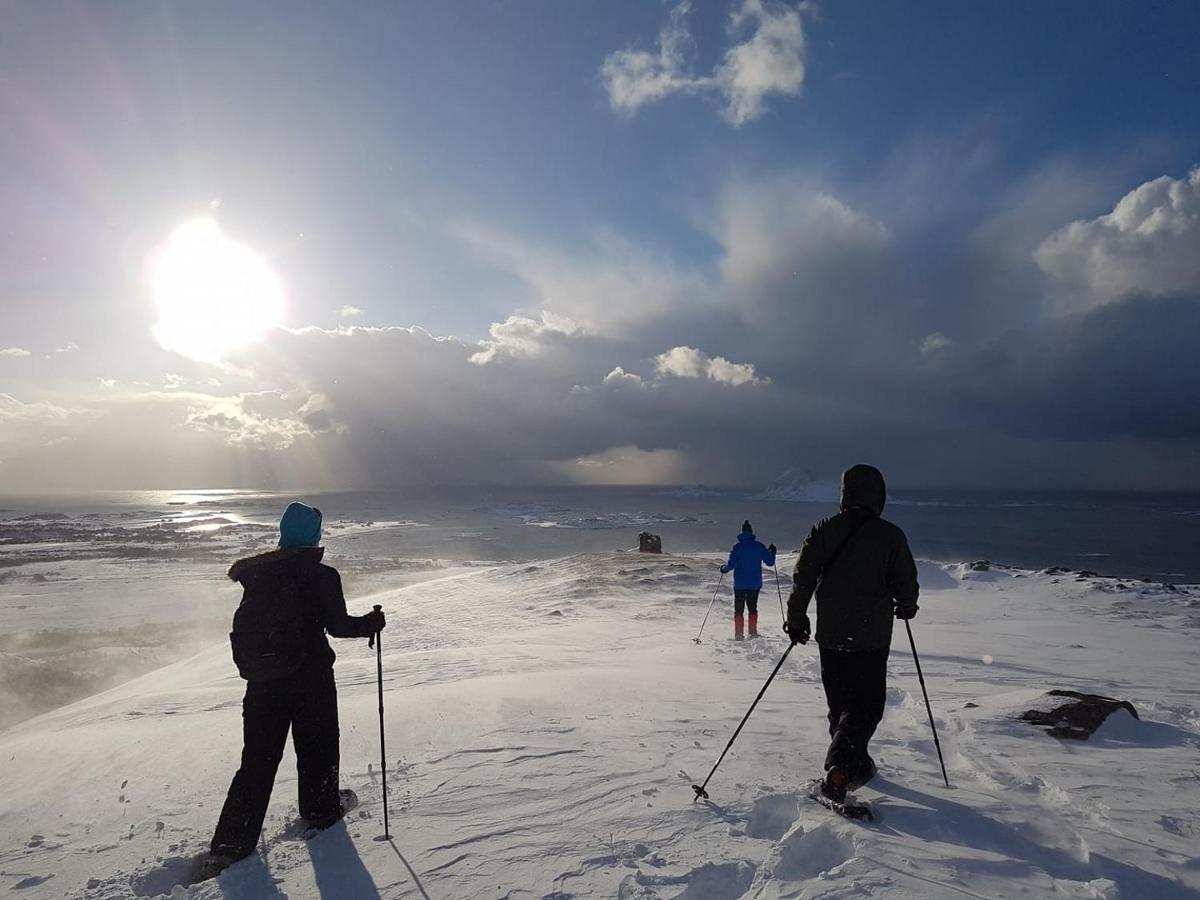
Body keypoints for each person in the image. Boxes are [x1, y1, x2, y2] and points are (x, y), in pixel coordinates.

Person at [194, 501, 386, 881]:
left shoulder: (259, 575)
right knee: (318, 746)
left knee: (257, 762)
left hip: (263, 684)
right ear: (314, 536)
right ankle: (321, 809)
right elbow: (338, 626)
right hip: (311, 680)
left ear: (284, 534)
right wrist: (373, 623)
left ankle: (230, 845)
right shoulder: (321, 575)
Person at [784, 465, 919, 802]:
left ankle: (854, 765)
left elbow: (804, 578)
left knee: (840, 704)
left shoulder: (824, 530)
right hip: (870, 637)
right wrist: (907, 604)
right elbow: (905, 580)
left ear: (845, 493)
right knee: (866, 705)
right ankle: (841, 768)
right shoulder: (890, 535)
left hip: (831, 635)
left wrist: (796, 618)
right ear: (879, 495)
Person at [719, 520, 777, 640]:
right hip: (754, 584)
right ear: (751, 532)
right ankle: (752, 633)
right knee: (752, 608)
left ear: (742, 532)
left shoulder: (737, 547)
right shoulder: (759, 546)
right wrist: (772, 552)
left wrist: (723, 569)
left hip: (740, 584)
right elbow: (770, 562)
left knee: (738, 610)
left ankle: (739, 634)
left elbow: (731, 565)